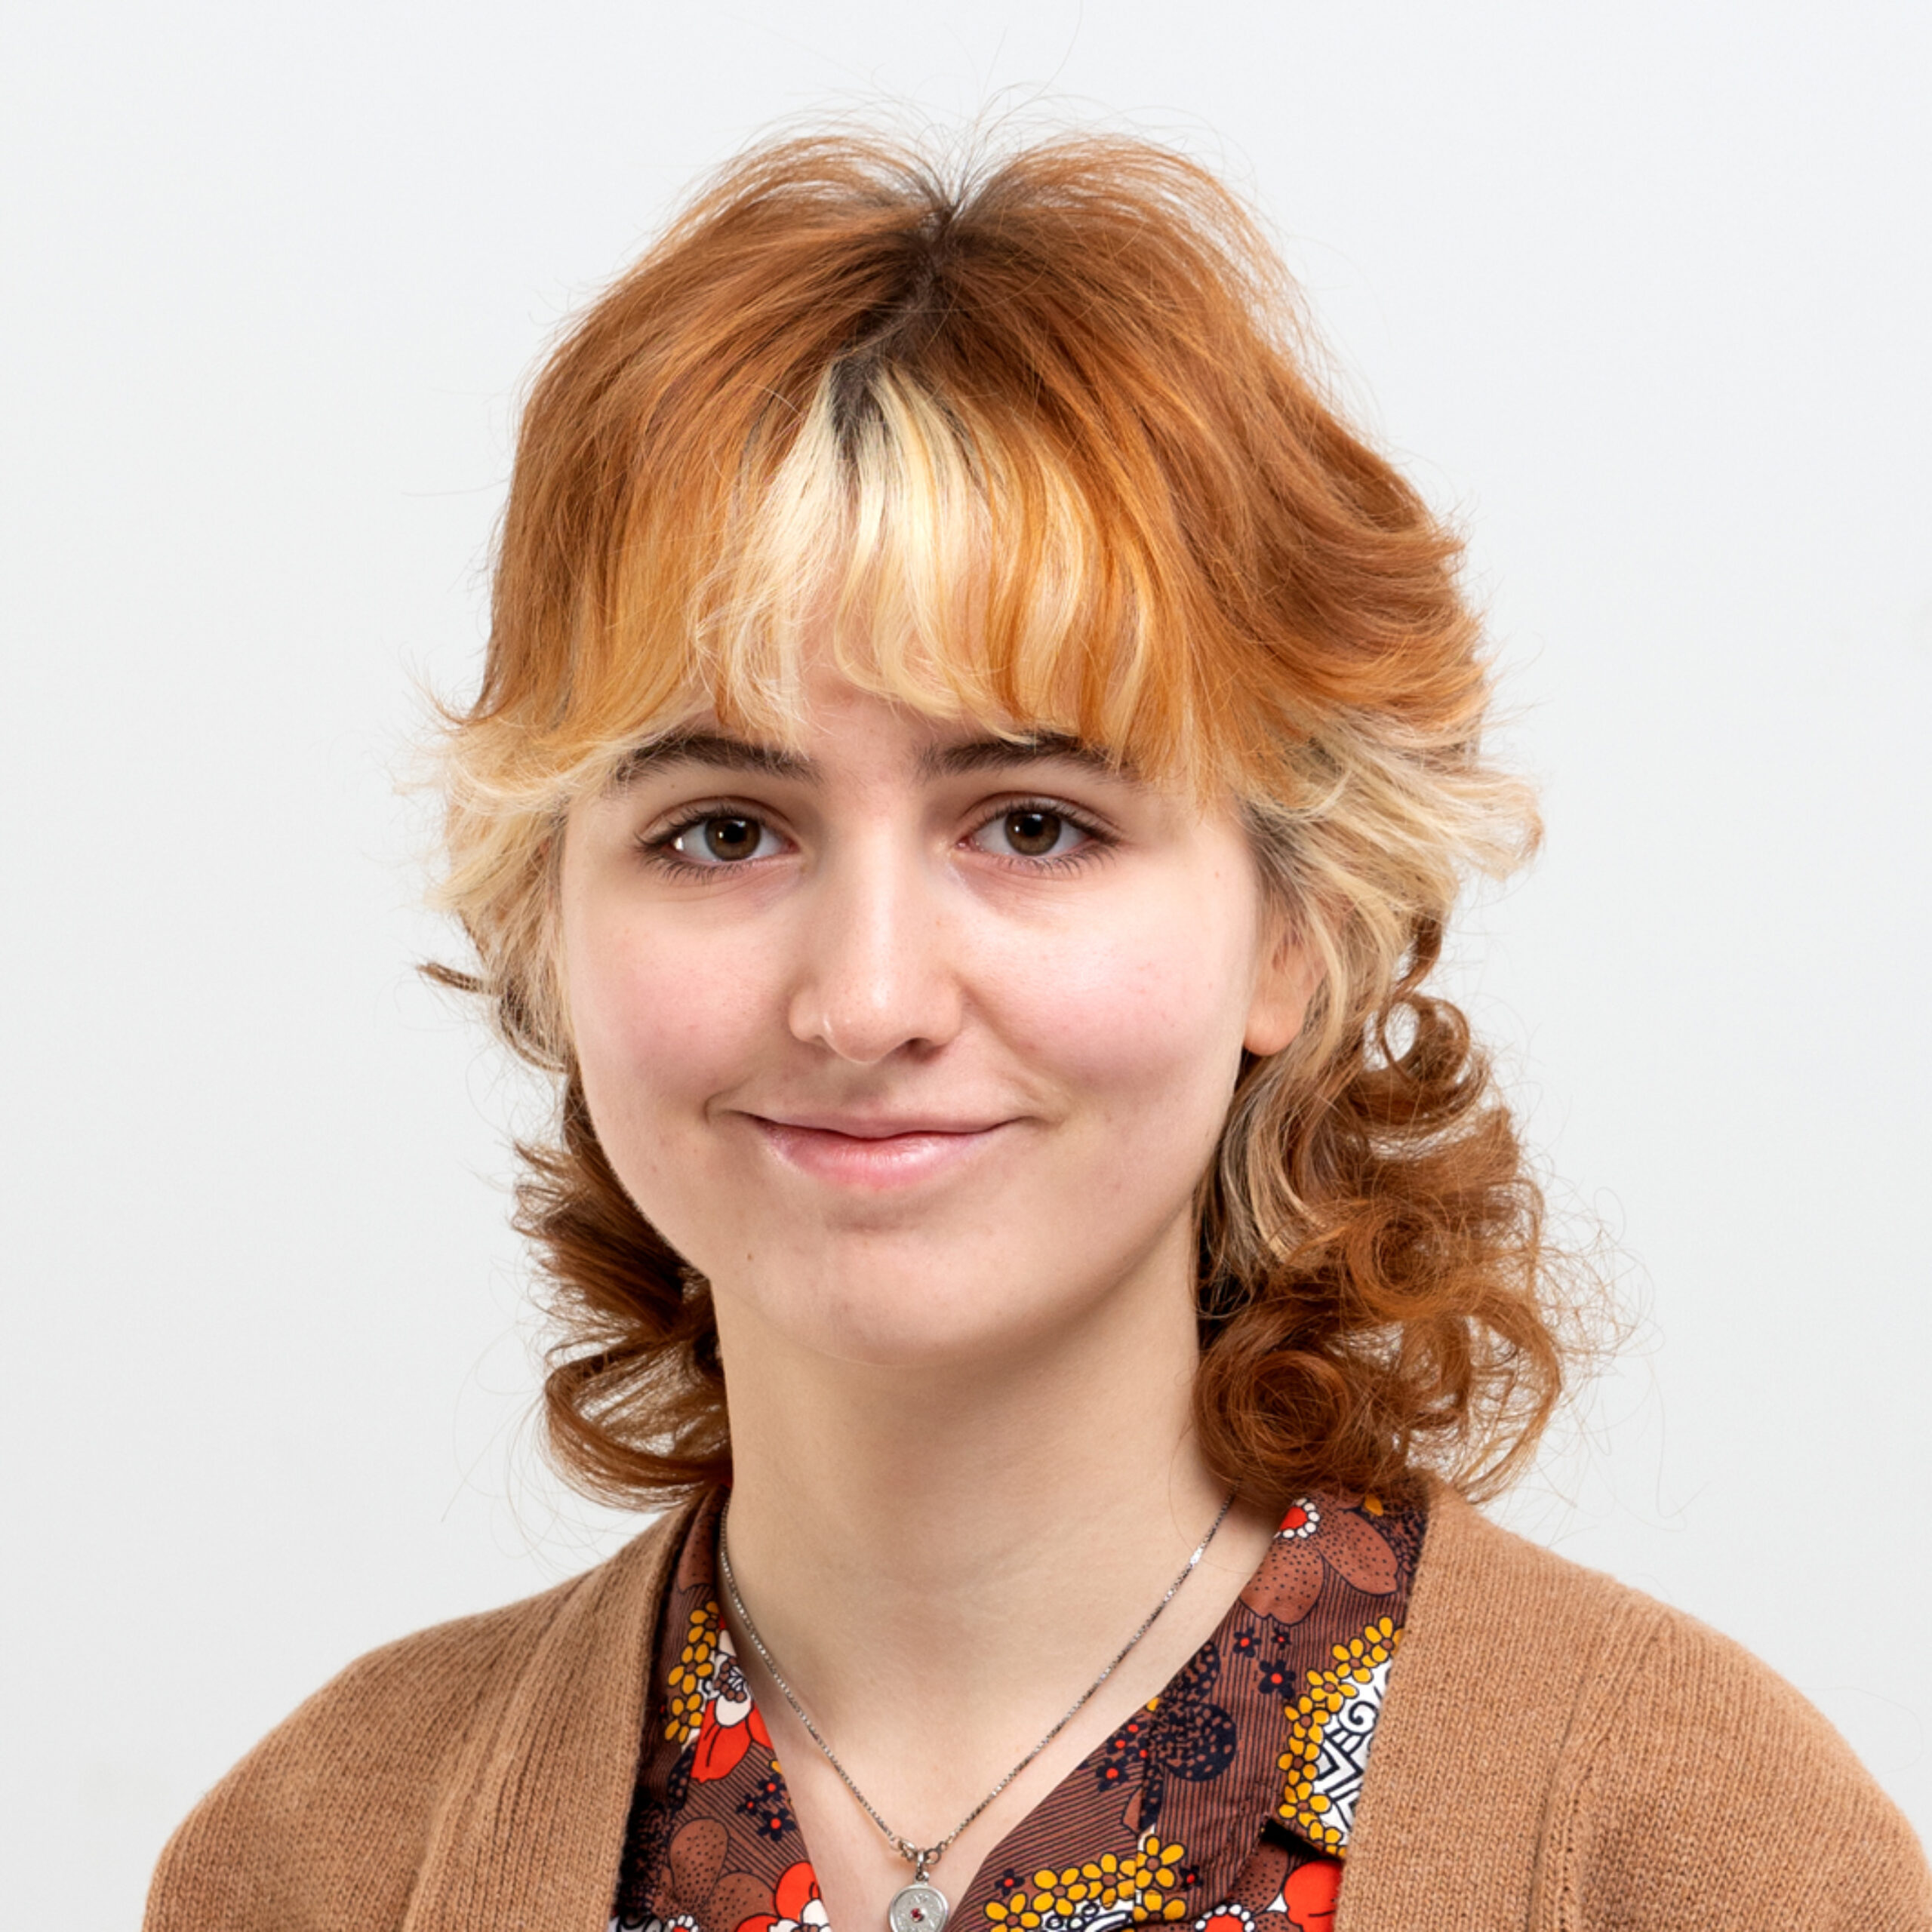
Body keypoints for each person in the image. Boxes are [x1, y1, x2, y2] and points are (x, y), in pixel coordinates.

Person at [144, 131, 1929, 1932]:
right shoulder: (319, 1865)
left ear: (1292, 922)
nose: (867, 997)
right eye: (724, 830)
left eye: (1030, 822)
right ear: (546, 918)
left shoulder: (1699, 1863)